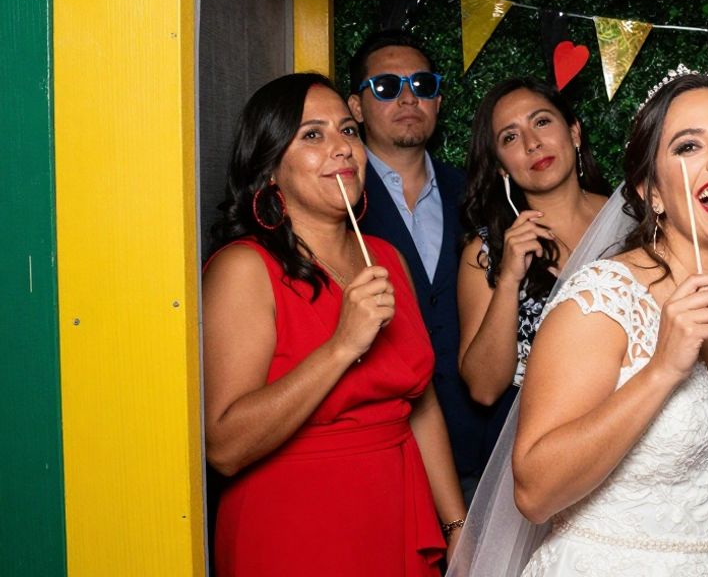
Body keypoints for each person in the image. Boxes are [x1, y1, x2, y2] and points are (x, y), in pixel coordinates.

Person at [455, 73, 708, 576]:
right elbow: (534, 493)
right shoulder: (603, 297)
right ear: (651, 192)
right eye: (689, 145)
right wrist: (661, 371)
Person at [204, 73, 466, 577]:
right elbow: (225, 447)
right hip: (295, 526)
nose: (342, 147)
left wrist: (457, 525)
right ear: (270, 168)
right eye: (312, 135)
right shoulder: (244, 269)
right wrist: (342, 345)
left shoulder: (386, 258)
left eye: (348, 130)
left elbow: (420, 403)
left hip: (396, 512)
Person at [347, 30, 485, 501]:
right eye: (387, 86)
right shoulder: (334, 196)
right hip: (378, 450)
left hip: (476, 447)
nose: (408, 98)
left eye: (422, 85)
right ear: (356, 106)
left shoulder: (474, 193)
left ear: (438, 100)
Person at [456, 78, 610, 414]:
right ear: (501, 166)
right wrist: (509, 279)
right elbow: (483, 389)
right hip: (542, 432)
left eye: (541, 122)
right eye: (510, 137)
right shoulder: (486, 251)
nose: (532, 143)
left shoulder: (632, 219)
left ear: (574, 132)